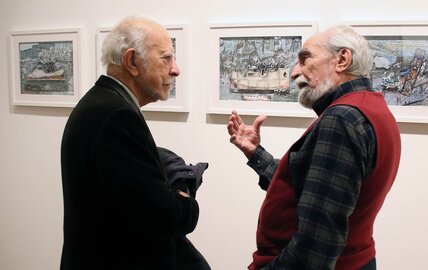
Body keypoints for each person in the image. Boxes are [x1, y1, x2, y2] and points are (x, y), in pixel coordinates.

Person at [227, 25, 401, 270]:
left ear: (342, 59)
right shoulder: (370, 108)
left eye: (305, 58)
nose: (295, 72)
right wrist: (255, 153)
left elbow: (315, 248)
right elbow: (309, 185)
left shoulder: (342, 119)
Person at [60, 16, 209, 270]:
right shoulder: (117, 116)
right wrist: (186, 197)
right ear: (132, 61)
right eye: (166, 58)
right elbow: (162, 216)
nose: (176, 69)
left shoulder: (101, 103)